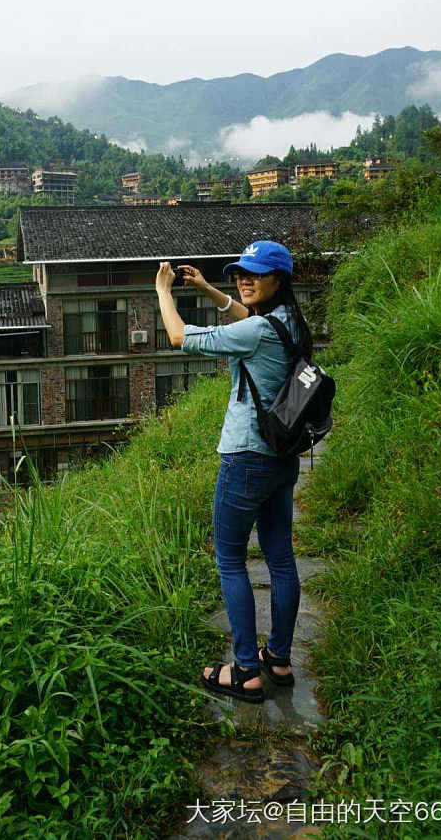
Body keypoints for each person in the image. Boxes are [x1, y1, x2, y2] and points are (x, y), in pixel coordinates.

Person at [155, 240, 314, 703]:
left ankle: (245, 669)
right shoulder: (290, 323)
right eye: (239, 272)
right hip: (283, 457)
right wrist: (208, 288)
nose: (244, 279)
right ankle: (278, 660)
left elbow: (180, 337)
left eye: (255, 274)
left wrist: (165, 292)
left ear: (278, 280)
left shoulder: (258, 332)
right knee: (281, 559)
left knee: (229, 559)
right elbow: (250, 321)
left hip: (246, 456)